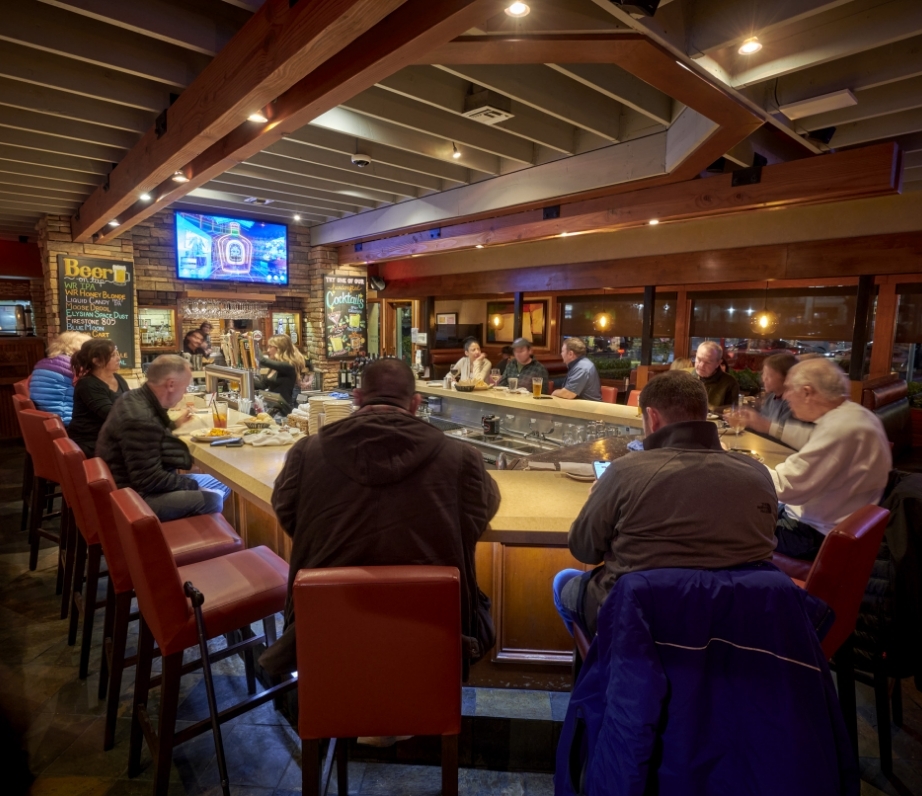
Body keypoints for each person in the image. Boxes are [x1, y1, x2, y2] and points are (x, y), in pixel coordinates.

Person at [262, 358, 500, 677]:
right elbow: (478, 517)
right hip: (436, 642)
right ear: (415, 403)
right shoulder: (461, 458)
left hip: (325, 635)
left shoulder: (307, 453)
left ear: (357, 398)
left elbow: (289, 516)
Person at [553, 371, 777, 637]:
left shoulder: (625, 472)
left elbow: (584, 550)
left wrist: (596, 498)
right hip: (735, 630)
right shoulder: (759, 476)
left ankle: (604, 666)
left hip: (640, 623)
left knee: (564, 581)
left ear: (654, 418)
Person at [769, 358, 892, 560]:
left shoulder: (840, 429)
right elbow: (811, 440)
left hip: (812, 535)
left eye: (789, 389)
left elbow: (785, 487)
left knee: (729, 522)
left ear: (808, 392)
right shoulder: (856, 415)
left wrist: (739, 463)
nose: (786, 396)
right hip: (835, 521)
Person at [97, 355, 230, 522]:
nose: (186, 392)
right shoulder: (140, 418)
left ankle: (197, 524)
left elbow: (148, 438)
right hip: (133, 498)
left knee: (222, 483)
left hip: (131, 486)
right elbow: (149, 480)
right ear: (171, 384)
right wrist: (194, 486)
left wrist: (173, 425)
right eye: (186, 387)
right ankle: (181, 539)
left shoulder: (134, 398)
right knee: (213, 499)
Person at [67, 338, 129, 457]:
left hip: (112, 437)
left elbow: (130, 403)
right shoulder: (88, 384)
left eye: (117, 354)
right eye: (113, 355)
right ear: (97, 361)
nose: (118, 358)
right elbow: (112, 415)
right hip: (92, 442)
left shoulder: (118, 378)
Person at [738, 353, 813, 449]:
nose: (763, 378)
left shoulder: (796, 404)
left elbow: (786, 439)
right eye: (763, 374)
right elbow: (761, 426)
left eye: (769, 375)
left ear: (786, 377)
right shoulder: (771, 397)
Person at [29, 331, 91, 425]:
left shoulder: (42, 363)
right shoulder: (74, 367)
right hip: (65, 419)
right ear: (77, 348)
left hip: (46, 416)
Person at [255, 333, 305, 412]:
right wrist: (242, 378)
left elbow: (262, 360)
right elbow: (262, 385)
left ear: (280, 348)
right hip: (271, 408)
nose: (268, 350)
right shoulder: (274, 367)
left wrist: (252, 342)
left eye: (271, 347)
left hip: (282, 412)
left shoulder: (288, 366)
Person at [694, 340, 739, 409]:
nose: (701, 365)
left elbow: (732, 411)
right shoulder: (687, 377)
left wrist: (712, 409)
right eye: (699, 359)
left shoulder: (729, 383)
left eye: (707, 362)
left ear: (718, 363)